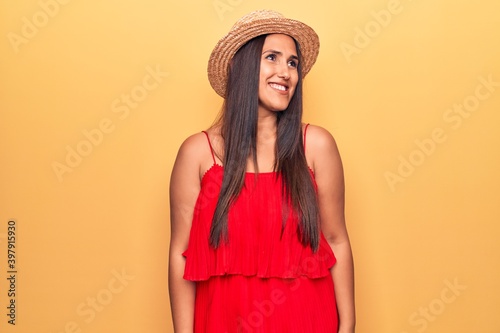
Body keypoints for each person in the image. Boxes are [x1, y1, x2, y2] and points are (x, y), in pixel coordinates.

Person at [169, 10, 355, 333]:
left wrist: (348, 325)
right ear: (242, 68)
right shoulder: (197, 154)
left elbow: (336, 239)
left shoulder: (316, 147)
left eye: (293, 63)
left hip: (309, 321)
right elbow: (180, 256)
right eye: (272, 57)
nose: (286, 72)